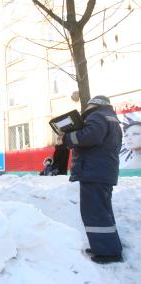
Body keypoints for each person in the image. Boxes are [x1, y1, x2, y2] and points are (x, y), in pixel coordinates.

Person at [59, 95, 123, 264]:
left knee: (94, 213)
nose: (84, 110)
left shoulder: (97, 116)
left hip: (94, 171)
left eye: (86, 107)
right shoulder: (111, 118)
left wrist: (66, 138)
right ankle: (107, 248)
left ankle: (108, 253)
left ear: (92, 105)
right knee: (102, 212)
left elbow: (90, 136)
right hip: (102, 172)